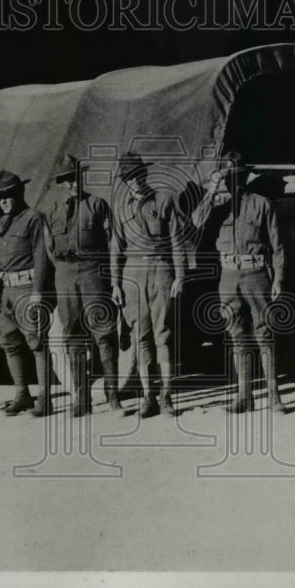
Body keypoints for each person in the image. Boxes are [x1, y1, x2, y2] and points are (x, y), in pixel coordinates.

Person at [191, 152, 287, 414]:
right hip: (229, 276)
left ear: (245, 177)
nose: (234, 182)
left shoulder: (262, 204)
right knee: (236, 337)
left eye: (238, 176)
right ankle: (244, 396)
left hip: (256, 274)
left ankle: (274, 397)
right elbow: (196, 220)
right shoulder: (218, 205)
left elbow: (278, 246)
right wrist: (212, 190)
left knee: (265, 334)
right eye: (229, 177)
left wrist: (278, 278)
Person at [42, 153, 122, 416]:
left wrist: (111, 277)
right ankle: (82, 397)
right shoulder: (50, 210)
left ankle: (112, 394)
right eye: (66, 180)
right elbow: (49, 248)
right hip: (65, 273)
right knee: (72, 332)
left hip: (93, 271)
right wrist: (64, 269)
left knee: (104, 329)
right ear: (60, 183)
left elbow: (112, 243)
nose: (73, 184)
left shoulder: (97, 205)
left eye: (76, 178)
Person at [110, 152, 185, 417]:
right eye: (128, 179)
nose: (134, 182)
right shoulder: (121, 209)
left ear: (145, 174)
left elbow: (176, 239)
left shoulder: (164, 200)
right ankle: (148, 397)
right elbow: (116, 249)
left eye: (137, 176)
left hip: (160, 270)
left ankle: (166, 396)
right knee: (139, 336)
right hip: (132, 275)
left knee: (162, 333)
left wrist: (180, 275)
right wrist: (115, 284)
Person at [0, 169, 53, 417]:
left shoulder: (33, 218)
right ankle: (22, 395)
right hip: (7, 291)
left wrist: (37, 292)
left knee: (37, 343)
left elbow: (41, 256)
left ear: (19, 193)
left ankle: (44, 399)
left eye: (9, 195)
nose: (4, 201)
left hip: (26, 289)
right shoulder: (0, 223)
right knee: (9, 343)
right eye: (0, 197)